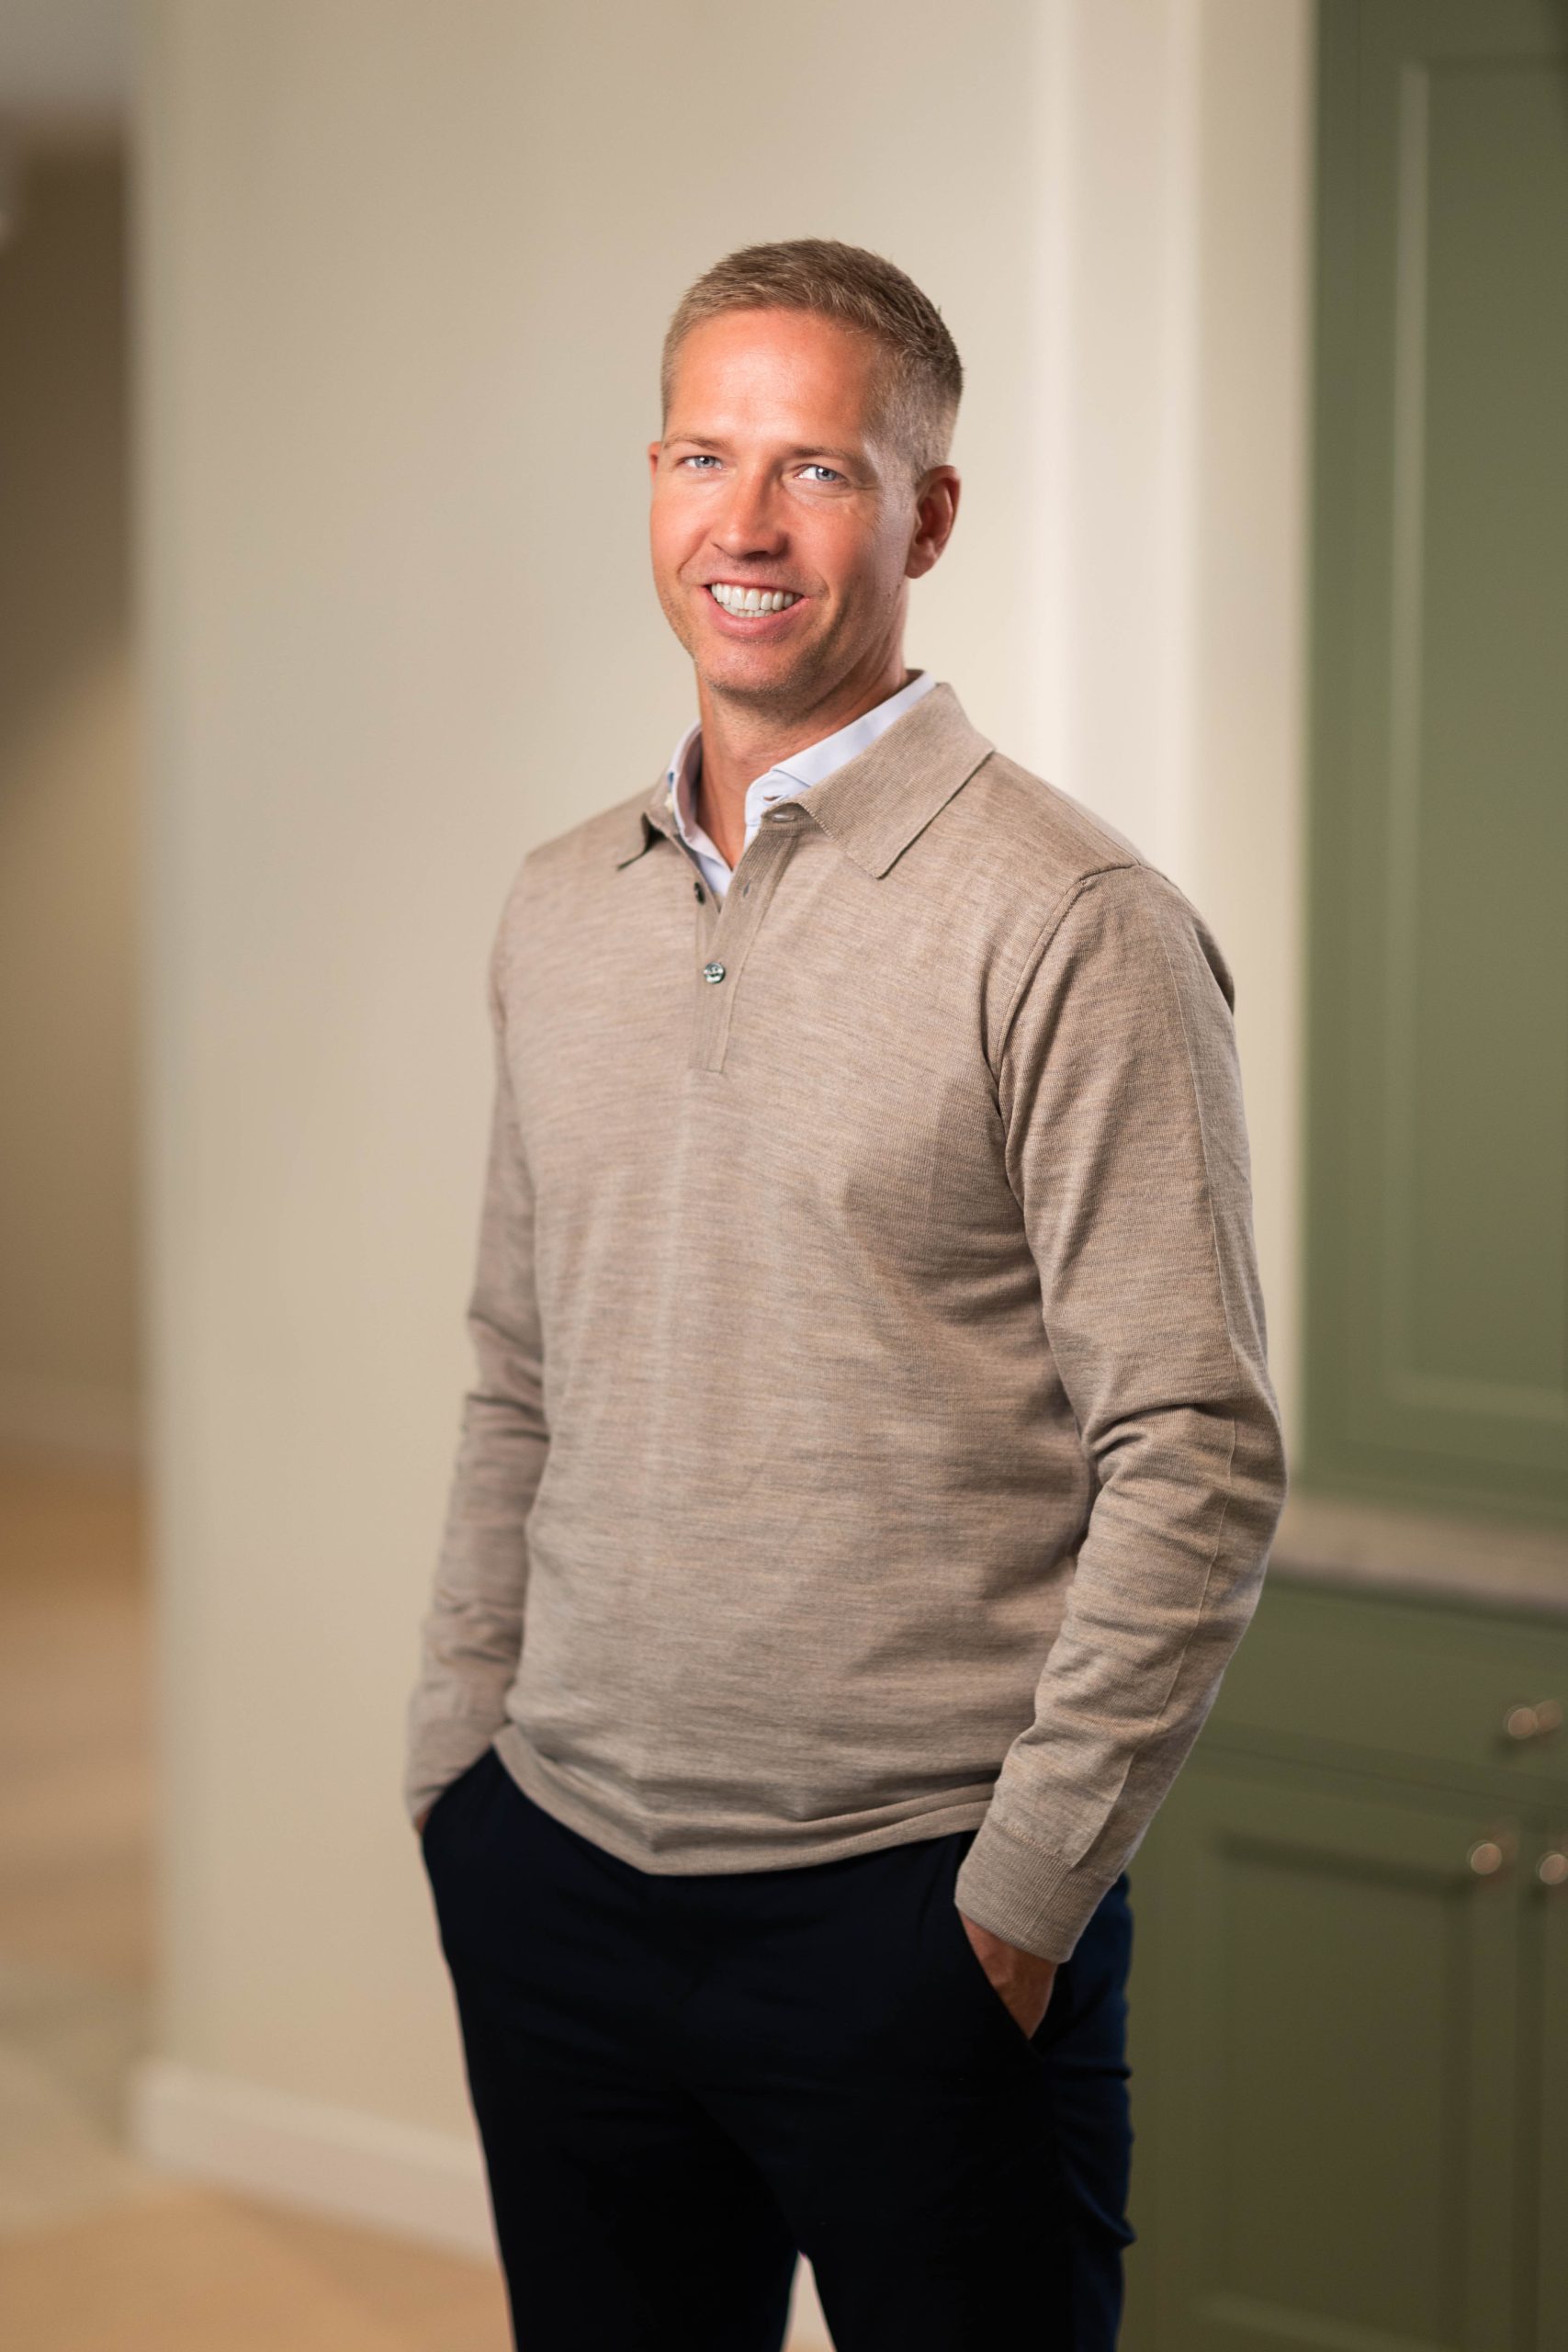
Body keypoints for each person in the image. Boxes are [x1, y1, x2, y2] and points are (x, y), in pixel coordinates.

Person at [404, 236, 1288, 2352]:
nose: (744, 521)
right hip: (560, 1880)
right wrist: (459, 1770)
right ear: (647, 480)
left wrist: (1017, 1895)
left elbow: (1194, 1444)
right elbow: (517, 1367)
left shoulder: (1069, 923)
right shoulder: (554, 908)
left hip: (910, 1910)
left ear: (926, 514)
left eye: (814, 467)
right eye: (702, 454)